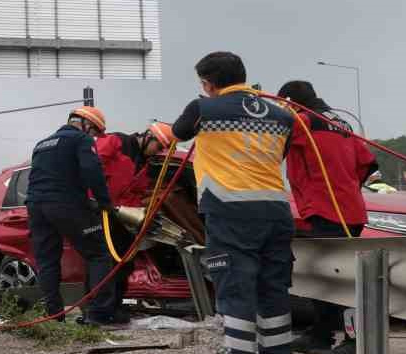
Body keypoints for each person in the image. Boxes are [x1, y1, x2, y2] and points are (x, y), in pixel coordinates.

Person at [172, 51, 295, 354]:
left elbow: (177, 133)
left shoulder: (203, 108)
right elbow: (280, 154)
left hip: (230, 211)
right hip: (276, 211)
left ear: (208, 84)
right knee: (274, 290)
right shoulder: (282, 115)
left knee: (236, 289)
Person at [277, 81, 378, 354]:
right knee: (335, 276)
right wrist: (346, 187)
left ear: (290, 102)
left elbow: (272, 147)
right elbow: (368, 162)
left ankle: (353, 340)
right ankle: (320, 337)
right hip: (352, 210)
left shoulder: (303, 121)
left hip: (325, 209)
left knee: (336, 279)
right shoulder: (341, 123)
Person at [25, 106, 121, 325]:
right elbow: (92, 171)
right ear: (84, 124)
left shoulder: (41, 144)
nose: (94, 137)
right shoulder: (80, 140)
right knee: (98, 254)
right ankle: (98, 315)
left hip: (35, 207)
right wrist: (105, 203)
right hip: (65, 205)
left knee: (47, 262)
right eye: (95, 132)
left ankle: (54, 315)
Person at [92, 121, 176, 320]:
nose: (158, 152)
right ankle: (98, 311)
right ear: (149, 137)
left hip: (121, 216)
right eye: (159, 146)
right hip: (101, 211)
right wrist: (96, 198)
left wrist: (138, 214)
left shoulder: (144, 164)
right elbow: (90, 167)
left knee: (125, 263)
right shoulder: (116, 142)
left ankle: (115, 307)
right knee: (105, 262)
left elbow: (136, 192)